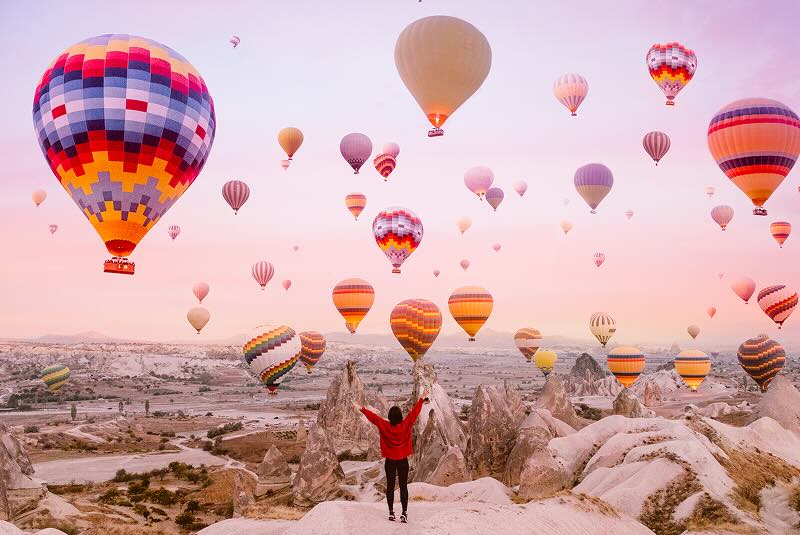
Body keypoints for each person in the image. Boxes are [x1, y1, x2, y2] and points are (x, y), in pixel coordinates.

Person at [352, 388, 429, 523]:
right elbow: (414, 413)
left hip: (390, 461)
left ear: (389, 417)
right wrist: (422, 398)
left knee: (390, 486)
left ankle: (391, 513)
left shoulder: (384, 425)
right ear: (400, 417)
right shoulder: (406, 424)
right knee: (403, 486)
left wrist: (361, 408)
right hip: (403, 461)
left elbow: (374, 418)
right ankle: (404, 513)